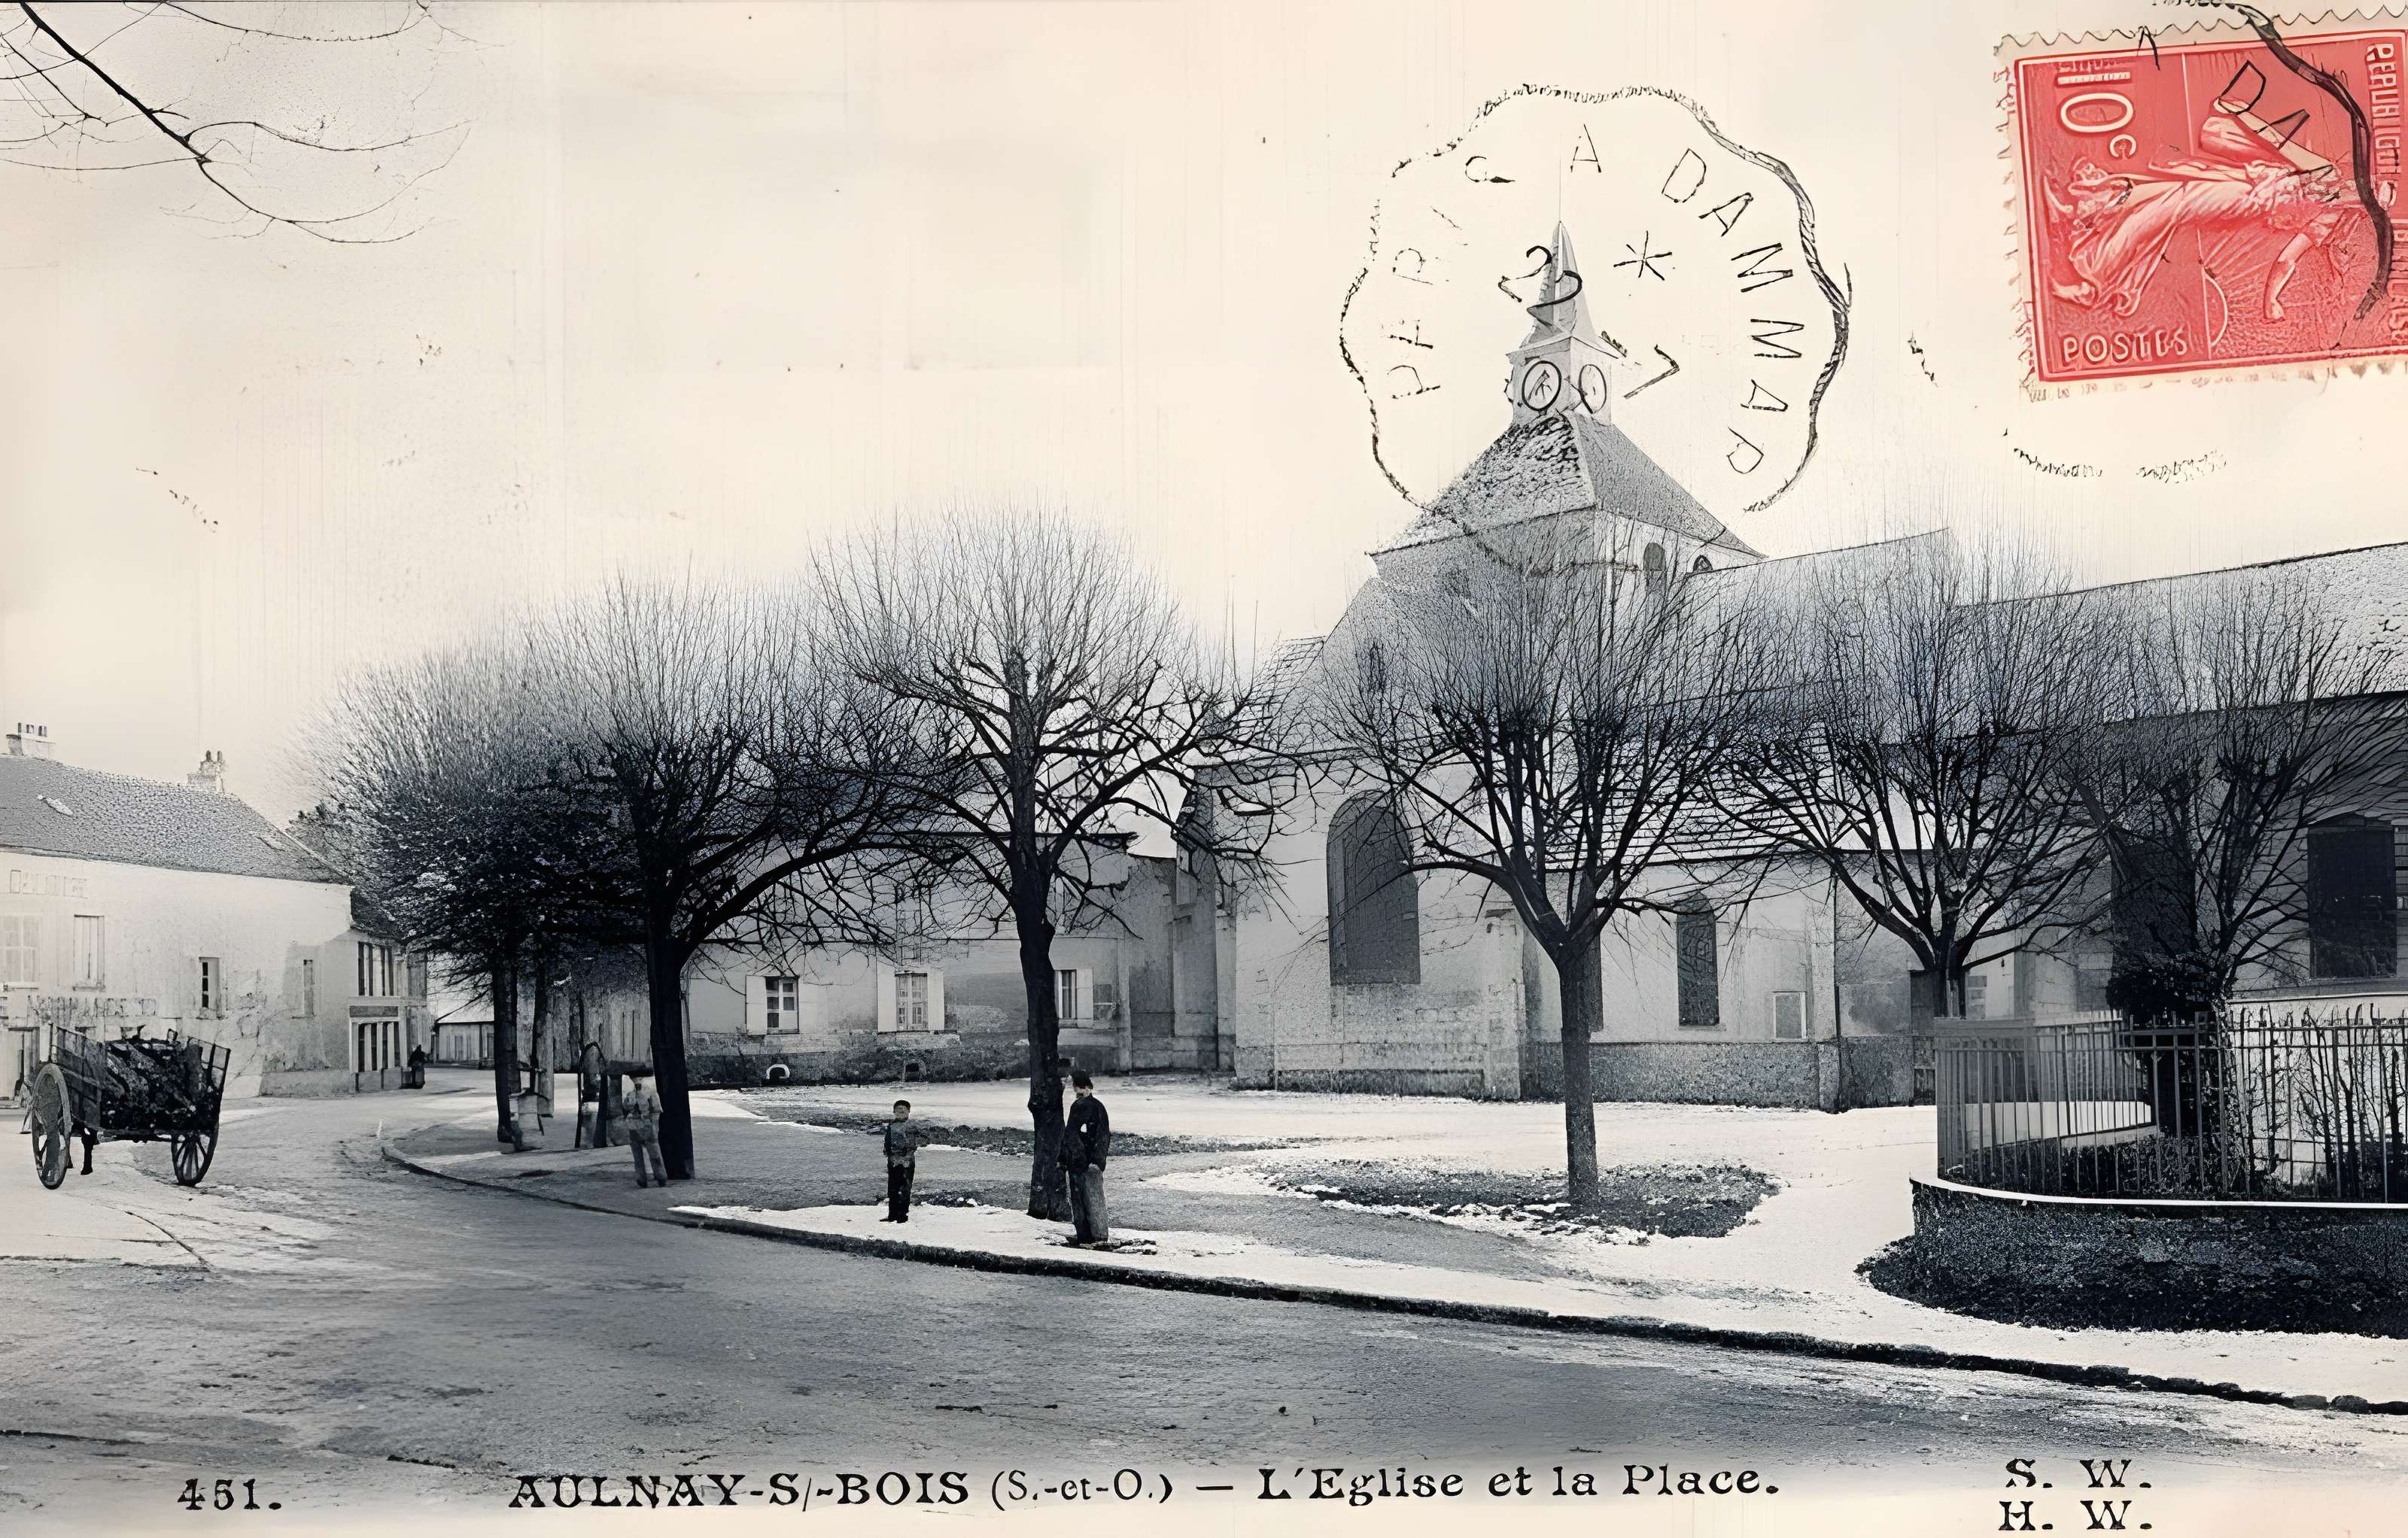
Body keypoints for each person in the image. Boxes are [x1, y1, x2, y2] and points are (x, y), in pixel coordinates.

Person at [1060, 1071, 1111, 1245]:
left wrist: (1069, 1159)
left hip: (1081, 1162)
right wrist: (1097, 1160)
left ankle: (1090, 1236)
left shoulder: (1083, 1107)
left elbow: (1072, 1134)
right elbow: (1102, 1135)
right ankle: (1096, 1236)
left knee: (1083, 1200)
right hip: (1086, 1161)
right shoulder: (1096, 1107)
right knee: (1089, 1200)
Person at [881, 1099, 928, 1222]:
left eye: (903, 1111)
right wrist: (887, 1153)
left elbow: (916, 1142)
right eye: (897, 1111)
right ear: (894, 1112)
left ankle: (902, 1216)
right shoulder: (892, 1125)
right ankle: (892, 1215)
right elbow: (888, 1141)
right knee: (892, 1189)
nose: (900, 1113)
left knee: (905, 1189)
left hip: (906, 1162)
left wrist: (907, 1157)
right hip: (893, 1161)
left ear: (908, 1112)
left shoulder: (911, 1126)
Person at [622, 1070, 668, 1189]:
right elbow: (626, 1107)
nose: (635, 1080)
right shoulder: (628, 1090)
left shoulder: (650, 1089)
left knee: (655, 1154)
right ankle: (641, 1179)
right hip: (634, 1125)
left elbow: (657, 1110)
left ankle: (661, 1177)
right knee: (637, 1156)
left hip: (647, 1124)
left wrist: (654, 1126)